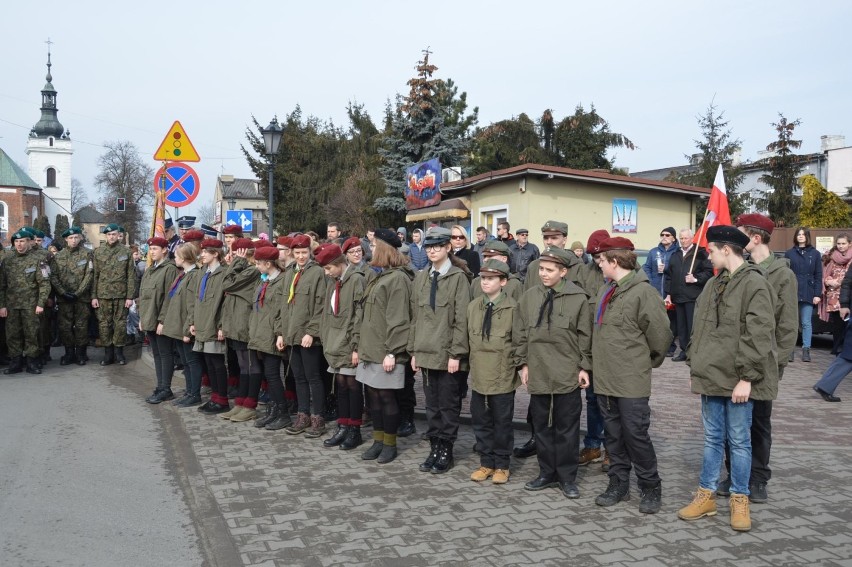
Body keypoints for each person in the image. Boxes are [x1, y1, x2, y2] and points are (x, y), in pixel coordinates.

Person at [678, 225, 777, 532]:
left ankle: (740, 499)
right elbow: (702, 328)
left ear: (726, 249)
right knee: (711, 440)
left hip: (737, 380)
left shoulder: (755, 284)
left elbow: (758, 334)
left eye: (710, 250)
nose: (707, 255)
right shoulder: (713, 284)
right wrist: (695, 359)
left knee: (739, 441)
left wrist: (747, 378)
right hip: (711, 376)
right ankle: (705, 495)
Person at [712, 213, 798, 503]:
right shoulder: (736, 270)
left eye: (741, 233)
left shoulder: (782, 274)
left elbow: (787, 325)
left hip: (763, 363)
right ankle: (733, 474)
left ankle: (758, 478)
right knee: (731, 422)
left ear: (755, 238)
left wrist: (778, 364)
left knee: (759, 423)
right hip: (733, 361)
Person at [591, 237, 672, 514]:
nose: (599, 265)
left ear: (614, 261)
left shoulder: (643, 293)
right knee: (612, 436)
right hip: (605, 379)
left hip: (631, 381)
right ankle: (619, 484)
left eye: (602, 261)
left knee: (635, 436)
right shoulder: (607, 290)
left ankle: (650, 486)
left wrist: (642, 363)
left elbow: (660, 337)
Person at [514, 247, 591, 499]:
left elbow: (585, 336)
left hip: (566, 374)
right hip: (538, 372)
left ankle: (567, 478)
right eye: (541, 269)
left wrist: (584, 367)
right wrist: (523, 364)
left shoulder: (578, 297)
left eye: (549, 270)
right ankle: (546, 473)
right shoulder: (529, 297)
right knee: (542, 428)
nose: (543, 274)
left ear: (563, 271)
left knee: (566, 429)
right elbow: (520, 334)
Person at [514, 220, 582, 460]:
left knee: (566, 419)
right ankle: (541, 453)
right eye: (546, 238)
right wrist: (523, 361)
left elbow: (583, 319)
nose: (550, 242)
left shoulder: (578, 268)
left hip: (565, 358)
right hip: (539, 357)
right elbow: (525, 313)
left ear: (564, 238)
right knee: (539, 414)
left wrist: (585, 364)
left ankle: (566, 469)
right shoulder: (535, 269)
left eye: (555, 238)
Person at [410, 226, 471, 474]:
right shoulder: (422, 277)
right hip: (425, 351)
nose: (433, 250)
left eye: (438, 246)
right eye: (429, 246)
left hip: (447, 355)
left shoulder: (458, 278)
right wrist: (413, 350)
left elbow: (461, 319)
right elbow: (416, 317)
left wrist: (456, 354)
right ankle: (434, 446)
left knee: (448, 405)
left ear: (448, 248)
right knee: (432, 406)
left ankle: (446, 449)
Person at [354, 232, 415, 463]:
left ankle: (390, 444)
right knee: (374, 398)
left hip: (386, 351)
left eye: (373, 244)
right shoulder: (379, 276)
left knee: (387, 399)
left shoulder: (397, 279)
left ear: (384, 248)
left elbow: (398, 319)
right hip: (371, 349)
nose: (371, 248)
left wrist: (393, 352)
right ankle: (378, 441)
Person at [467, 259, 519, 485]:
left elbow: (518, 342)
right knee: (481, 421)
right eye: (483, 278)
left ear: (503, 281)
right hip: (479, 373)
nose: (485, 282)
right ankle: (486, 462)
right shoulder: (473, 306)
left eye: (491, 278)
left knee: (502, 423)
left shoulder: (513, 309)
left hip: (502, 374)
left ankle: (502, 465)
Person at [314, 243, 367, 449]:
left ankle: (355, 429)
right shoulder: (333, 282)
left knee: (353, 387)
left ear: (338, 264)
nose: (326, 273)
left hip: (348, 343)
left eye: (328, 268)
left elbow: (358, 315)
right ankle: (343, 425)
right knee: (341, 386)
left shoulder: (356, 280)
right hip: (335, 342)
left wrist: (356, 346)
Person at [278, 234, 328, 437]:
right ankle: (303, 415)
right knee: (298, 377)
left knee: (313, 377)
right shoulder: (289, 272)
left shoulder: (316, 273)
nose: (300, 256)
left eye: (304, 253)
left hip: (308, 336)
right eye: (297, 253)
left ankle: (318, 418)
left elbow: (320, 306)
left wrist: (312, 332)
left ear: (310, 252)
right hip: (291, 334)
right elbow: (283, 306)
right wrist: (281, 332)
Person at [575, 229, 611, 470]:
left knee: (610, 403)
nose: (598, 263)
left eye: (601, 257)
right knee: (592, 400)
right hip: (590, 348)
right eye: (594, 258)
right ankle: (593, 445)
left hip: (612, 349)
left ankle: (613, 449)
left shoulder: (619, 272)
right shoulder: (585, 273)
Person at [248, 245, 292, 430]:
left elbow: (281, 310)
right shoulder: (263, 280)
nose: (256, 266)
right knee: (269, 374)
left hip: (272, 335)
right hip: (261, 334)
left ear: (268, 263)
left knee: (274, 375)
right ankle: (274, 409)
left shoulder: (281, 281)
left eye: (258, 263)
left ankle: (283, 413)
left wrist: (279, 333)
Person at [219, 238, 261, 422]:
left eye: (235, 253)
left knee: (251, 365)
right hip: (236, 324)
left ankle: (250, 405)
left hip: (245, 324)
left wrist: (236, 263)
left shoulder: (252, 270)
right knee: (243, 365)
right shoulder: (244, 269)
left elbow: (226, 284)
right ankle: (240, 403)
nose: (231, 257)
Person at [0, 229, 51, 374]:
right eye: (16, 242)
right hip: (12, 306)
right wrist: (2, 305)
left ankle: (32, 362)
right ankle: (15, 363)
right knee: (12, 334)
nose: (19, 244)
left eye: (22, 241)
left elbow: (44, 284)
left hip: (31, 305)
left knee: (31, 334)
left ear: (29, 242)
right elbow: (2, 286)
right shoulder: (7, 260)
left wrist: (41, 304)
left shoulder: (38, 260)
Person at [161, 244, 204, 407]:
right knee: (185, 361)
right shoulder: (183, 275)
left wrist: (188, 329)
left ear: (185, 258)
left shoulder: (193, 276)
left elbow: (192, 305)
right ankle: (189, 391)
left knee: (192, 361)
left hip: (186, 327)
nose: (175, 258)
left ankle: (195, 394)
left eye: (177, 256)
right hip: (179, 326)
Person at [192, 238, 230, 414]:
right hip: (202, 323)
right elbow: (196, 300)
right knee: (208, 362)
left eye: (206, 252)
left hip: (214, 324)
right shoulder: (203, 272)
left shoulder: (224, 273)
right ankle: (214, 397)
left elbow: (226, 302)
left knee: (217, 363)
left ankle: (222, 400)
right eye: (202, 251)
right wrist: (193, 322)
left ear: (215, 253)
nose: (202, 254)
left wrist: (222, 325)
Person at [138, 237, 179, 404]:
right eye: (150, 249)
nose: (152, 252)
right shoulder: (150, 270)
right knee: (156, 354)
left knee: (165, 354)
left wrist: (162, 320)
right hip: (149, 319)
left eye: (155, 248)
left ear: (164, 250)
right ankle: (160, 386)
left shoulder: (169, 269)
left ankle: (165, 388)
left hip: (161, 320)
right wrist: (142, 318)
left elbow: (169, 298)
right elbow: (144, 296)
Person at [664, 228, 713, 362]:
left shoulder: (701, 253)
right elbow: (669, 276)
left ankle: (694, 352)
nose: (683, 241)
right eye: (681, 238)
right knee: (681, 327)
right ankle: (684, 351)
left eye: (686, 238)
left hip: (693, 296)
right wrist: (668, 294)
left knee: (693, 326)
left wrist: (696, 279)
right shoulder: (675, 254)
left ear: (692, 238)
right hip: (678, 297)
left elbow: (709, 272)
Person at [92, 223, 136, 366]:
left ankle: (119, 353)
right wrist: (94, 296)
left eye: (114, 234)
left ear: (119, 235)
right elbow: (95, 276)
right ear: (106, 236)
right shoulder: (98, 252)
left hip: (121, 295)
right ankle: (108, 353)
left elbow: (131, 276)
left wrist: (130, 296)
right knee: (104, 325)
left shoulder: (126, 252)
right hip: (103, 295)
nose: (112, 237)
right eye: (109, 234)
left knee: (120, 324)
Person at [50, 226, 93, 366]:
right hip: (64, 299)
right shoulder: (59, 256)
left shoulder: (87, 254)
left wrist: (78, 293)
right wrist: (62, 293)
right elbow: (53, 277)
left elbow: (89, 275)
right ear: (66, 240)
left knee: (81, 326)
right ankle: (69, 353)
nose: (73, 240)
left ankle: (81, 353)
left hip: (81, 298)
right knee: (65, 327)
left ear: (80, 238)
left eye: (76, 237)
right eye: (70, 238)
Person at [784, 227, 822, 362]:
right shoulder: (789, 253)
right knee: (791, 323)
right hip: (792, 291)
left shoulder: (815, 254)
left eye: (803, 234)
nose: (800, 236)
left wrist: (817, 294)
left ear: (807, 237)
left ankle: (806, 350)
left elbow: (818, 275)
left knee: (806, 322)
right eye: (798, 234)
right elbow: (785, 274)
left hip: (808, 291)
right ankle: (790, 350)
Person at [643, 226, 678, 356]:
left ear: (673, 238)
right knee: (656, 320)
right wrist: (651, 281)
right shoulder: (653, 252)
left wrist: (666, 269)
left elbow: (678, 270)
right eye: (662, 234)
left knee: (670, 322)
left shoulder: (677, 253)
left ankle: (670, 346)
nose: (664, 236)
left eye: (667, 235)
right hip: (656, 290)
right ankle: (656, 347)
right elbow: (646, 267)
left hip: (670, 293)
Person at [820, 234, 851, 354]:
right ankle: (837, 348)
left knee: (847, 324)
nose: (841, 246)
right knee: (837, 325)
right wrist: (828, 281)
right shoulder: (831, 257)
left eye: (844, 243)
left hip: (847, 294)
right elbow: (825, 274)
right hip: (833, 296)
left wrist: (838, 282)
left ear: (849, 244)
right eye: (839, 244)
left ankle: (845, 349)